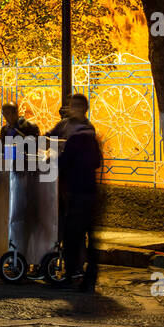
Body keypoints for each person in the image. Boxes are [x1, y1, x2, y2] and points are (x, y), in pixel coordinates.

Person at [57, 93, 101, 292]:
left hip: (78, 191)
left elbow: (64, 162)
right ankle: (88, 278)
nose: (70, 108)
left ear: (80, 108)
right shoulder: (88, 130)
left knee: (72, 235)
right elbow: (97, 161)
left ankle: (70, 276)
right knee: (89, 238)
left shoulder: (78, 134)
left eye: (73, 105)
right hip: (90, 190)